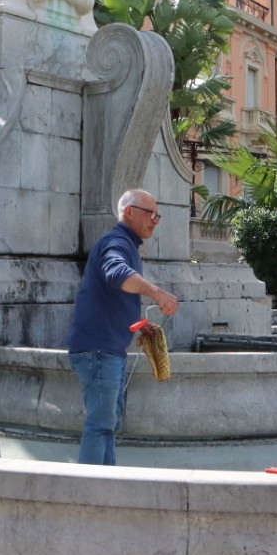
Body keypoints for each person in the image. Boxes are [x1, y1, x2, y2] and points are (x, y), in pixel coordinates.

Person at [66, 188, 178, 465]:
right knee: (101, 424)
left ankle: (105, 484)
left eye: (157, 215)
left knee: (107, 424)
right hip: (98, 350)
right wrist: (157, 293)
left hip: (103, 348)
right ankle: (91, 491)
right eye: (150, 213)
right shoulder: (116, 242)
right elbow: (117, 275)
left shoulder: (123, 243)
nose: (155, 220)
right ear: (129, 212)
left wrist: (139, 326)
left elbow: (112, 294)